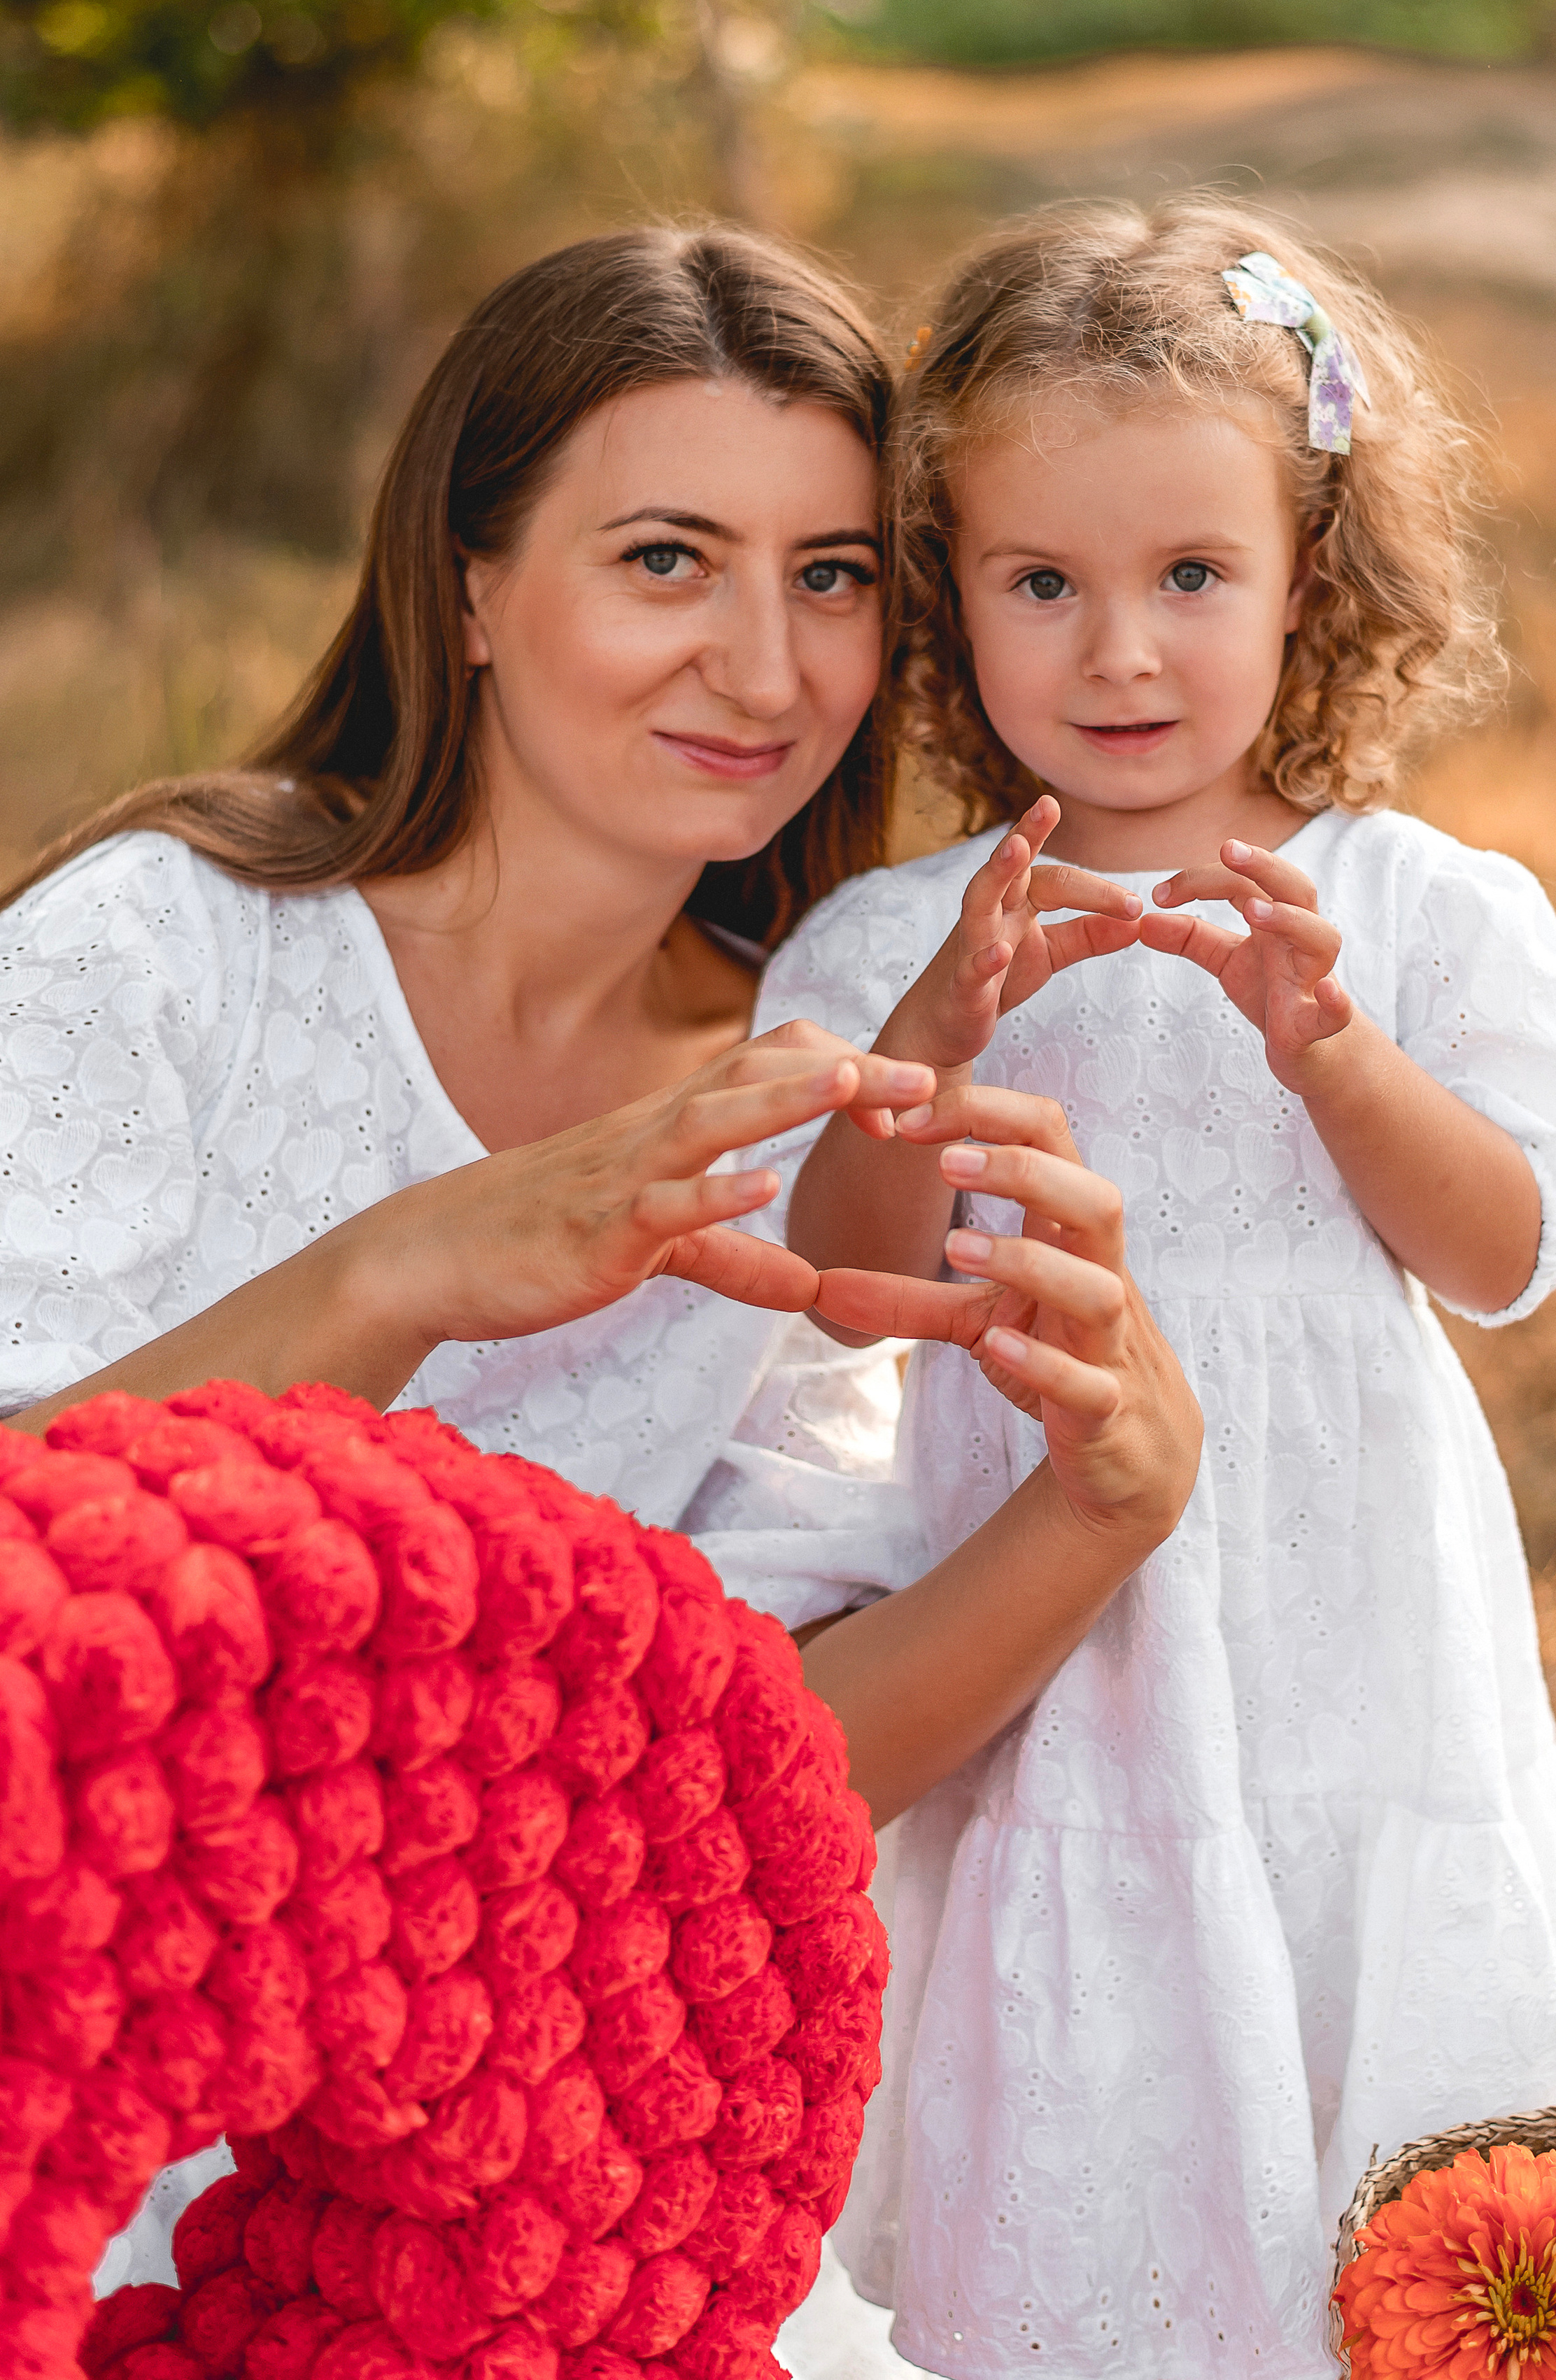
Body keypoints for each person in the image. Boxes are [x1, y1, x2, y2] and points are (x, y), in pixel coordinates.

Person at [0, 223, 1166, 2358]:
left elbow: (743, 1776)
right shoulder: (159, 950)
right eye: (664, 558)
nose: (763, 663)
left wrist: (1095, 1513)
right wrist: (400, 1272)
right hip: (52, 2056)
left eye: (832, 579)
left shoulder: (817, 1092)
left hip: (455, 2175)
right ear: (467, 583)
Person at [762, 196, 1556, 2379]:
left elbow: (1512, 1246)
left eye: (1192, 578)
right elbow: (828, 1277)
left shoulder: (1419, 905)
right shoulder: (900, 934)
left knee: (1379, 2077)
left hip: (1354, 1640)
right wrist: (932, 1050)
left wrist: (1334, 1052)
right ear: (950, 594)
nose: (1122, 654)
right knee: (1104, 2036)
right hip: (1060, 1651)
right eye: (1042, 585)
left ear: (1309, 579)